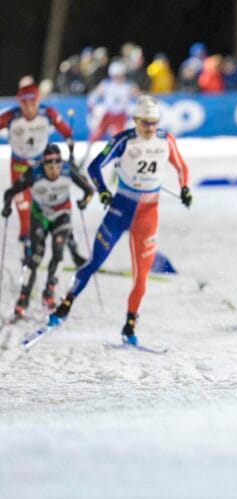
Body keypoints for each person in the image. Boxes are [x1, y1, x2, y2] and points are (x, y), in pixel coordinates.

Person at [47, 95, 192, 346]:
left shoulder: (165, 139)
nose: (150, 128)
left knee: (141, 276)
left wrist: (185, 188)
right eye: (145, 123)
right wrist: (103, 190)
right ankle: (66, 304)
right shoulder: (123, 140)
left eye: (154, 122)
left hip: (148, 215)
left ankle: (130, 324)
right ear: (136, 120)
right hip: (119, 211)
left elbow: (182, 167)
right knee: (94, 262)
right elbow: (94, 166)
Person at [0, 79, 88, 267]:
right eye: (25, 104)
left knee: (58, 204)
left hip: (43, 166)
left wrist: (71, 154)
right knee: (24, 209)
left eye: (33, 103)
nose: (29, 108)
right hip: (19, 166)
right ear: (19, 103)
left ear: (38, 101)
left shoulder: (47, 113)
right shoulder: (10, 117)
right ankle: (28, 252)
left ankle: (73, 251)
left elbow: (67, 132)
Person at [2, 144, 93, 318]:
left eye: (57, 166)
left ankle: (49, 292)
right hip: (40, 216)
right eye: (49, 167)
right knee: (35, 257)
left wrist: (84, 202)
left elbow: (89, 190)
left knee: (58, 254)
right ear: (43, 165)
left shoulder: (68, 170)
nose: (54, 171)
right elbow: (10, 192)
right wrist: (7, 207)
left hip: (62, 215)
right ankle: (24, 297)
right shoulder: (34, 173)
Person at [86, 61, 138, 143]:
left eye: (120, 75)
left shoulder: (128, 86)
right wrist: (91, 104)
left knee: (118, 137)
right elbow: (94, 95)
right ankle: (87, 151)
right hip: (108, 114)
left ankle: (115, 153)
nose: (118, 78)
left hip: (120, 115)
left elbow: (138, 95)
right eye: (116, 76)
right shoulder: (106, 84)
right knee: (96, 134)